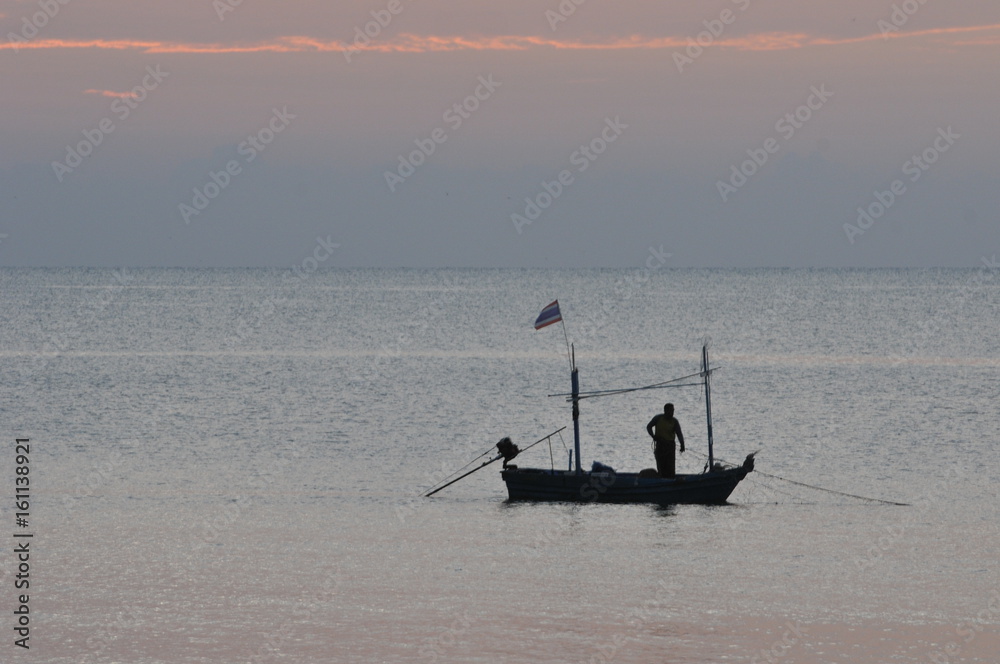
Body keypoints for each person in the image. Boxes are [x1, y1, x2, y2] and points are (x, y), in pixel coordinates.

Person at [646, 403, 685, 478]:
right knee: (661, 466)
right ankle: (662, 479)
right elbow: (649, 427)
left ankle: (671, 480)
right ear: (665, 411)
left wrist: (682, 445)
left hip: (670, 446)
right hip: (660, 445)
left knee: (670, 467)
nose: (672, 413)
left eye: (673, 411)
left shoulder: (674, 421)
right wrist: (653, 436)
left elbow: (679, 434)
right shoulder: (658, 418)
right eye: (670, 411)